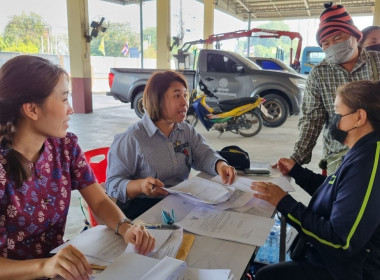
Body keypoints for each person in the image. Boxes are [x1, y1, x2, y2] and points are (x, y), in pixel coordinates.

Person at [0, 55, 155, 280]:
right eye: (64, 99)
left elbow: (100, 201)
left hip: (59, 269)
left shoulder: (65, 146)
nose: (71, 109)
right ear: (32, 110)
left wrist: (126, 227)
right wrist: (44, 267)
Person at [252, 80, 380, 280]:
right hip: (331, 259)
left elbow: (341, 241)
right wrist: (298, 172)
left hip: (345, 270)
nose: (333, 120)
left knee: (265, 277)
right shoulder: (364, 150)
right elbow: (338, 192)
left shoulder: (369, 162)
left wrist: (284, 202)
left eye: (338, 113)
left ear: (359, 117)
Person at [105, 71, 236, 219]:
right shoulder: (132, 139)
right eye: (177, 95)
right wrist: (141, 186)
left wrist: (220, 165)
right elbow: (112, 184)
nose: (185, 102)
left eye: (185, 95)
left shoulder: (185, 130)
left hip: (181, 201)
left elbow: (203, 154)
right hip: (144, 210)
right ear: (158, 99)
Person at [286, 3, 380, 175]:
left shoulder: (377, 62)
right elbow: (311, 120)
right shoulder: (319, 74)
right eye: (325, 43)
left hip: (376, 153)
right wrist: (296, 159)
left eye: (337, 38)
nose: (332, 46)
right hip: (338, 160)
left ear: (354, 35)